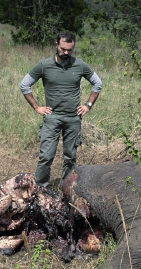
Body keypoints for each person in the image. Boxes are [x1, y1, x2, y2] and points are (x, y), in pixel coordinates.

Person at [20, 31, 102, 187]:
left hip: (73, 118)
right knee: (46, 156)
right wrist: (37, 107)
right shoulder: (44, 65)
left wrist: (88, 105)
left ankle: (66, 190)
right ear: (56, 44)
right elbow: (24, 85)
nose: (66, 52)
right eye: (63, 48)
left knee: (70, 157)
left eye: (70, 50)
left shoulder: (80, 64)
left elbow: (97, 83)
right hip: (52, 118)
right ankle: (40, 190)